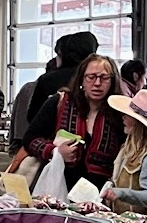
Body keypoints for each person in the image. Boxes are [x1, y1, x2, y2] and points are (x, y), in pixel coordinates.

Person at [19, 53, 124, 192]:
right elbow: (30, 138)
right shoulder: (60, 102)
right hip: (57, 186)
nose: (97, 83)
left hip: (99, 194)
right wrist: (54, 151)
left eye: (104, 78)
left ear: (113, 81)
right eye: (91, 77)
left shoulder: (119, 112)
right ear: (82, 79)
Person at [103, 89, 147, 217]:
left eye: (128, 115)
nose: (123, 117)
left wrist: (119, 193)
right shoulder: (129, 151)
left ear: (140, 124)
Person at [28, 31, 98, 121]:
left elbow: (33, 116)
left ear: (64, 55)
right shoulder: (99, 77)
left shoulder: (48, 80)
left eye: (58, 54)